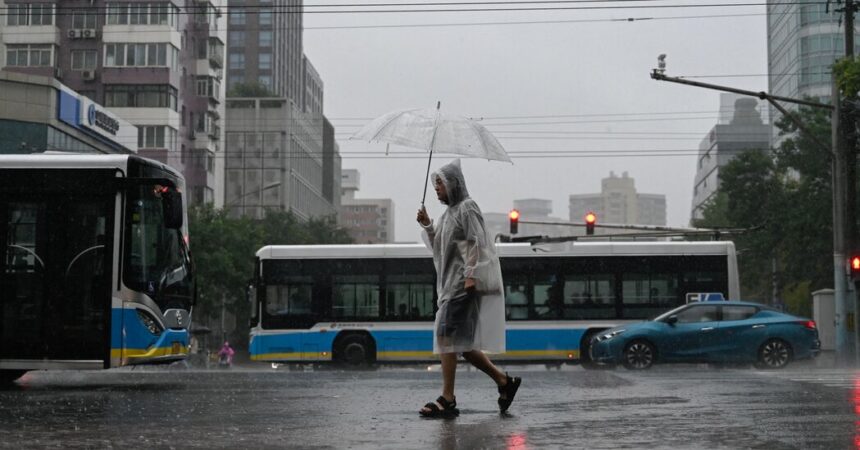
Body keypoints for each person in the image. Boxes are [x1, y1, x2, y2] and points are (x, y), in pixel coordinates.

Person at [416, 159, 521, 418]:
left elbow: (476, 241)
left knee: (446, 337)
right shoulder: (448, 214)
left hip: (461, 285)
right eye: (435, 184)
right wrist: (429, 225)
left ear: (453, 184)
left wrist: (471, 275)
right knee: (460, 344)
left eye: (440, 183)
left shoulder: (467, 207)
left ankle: (447, 398)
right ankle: (504, 382)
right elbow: (439, 248)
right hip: (450, 285)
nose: (436, 188)